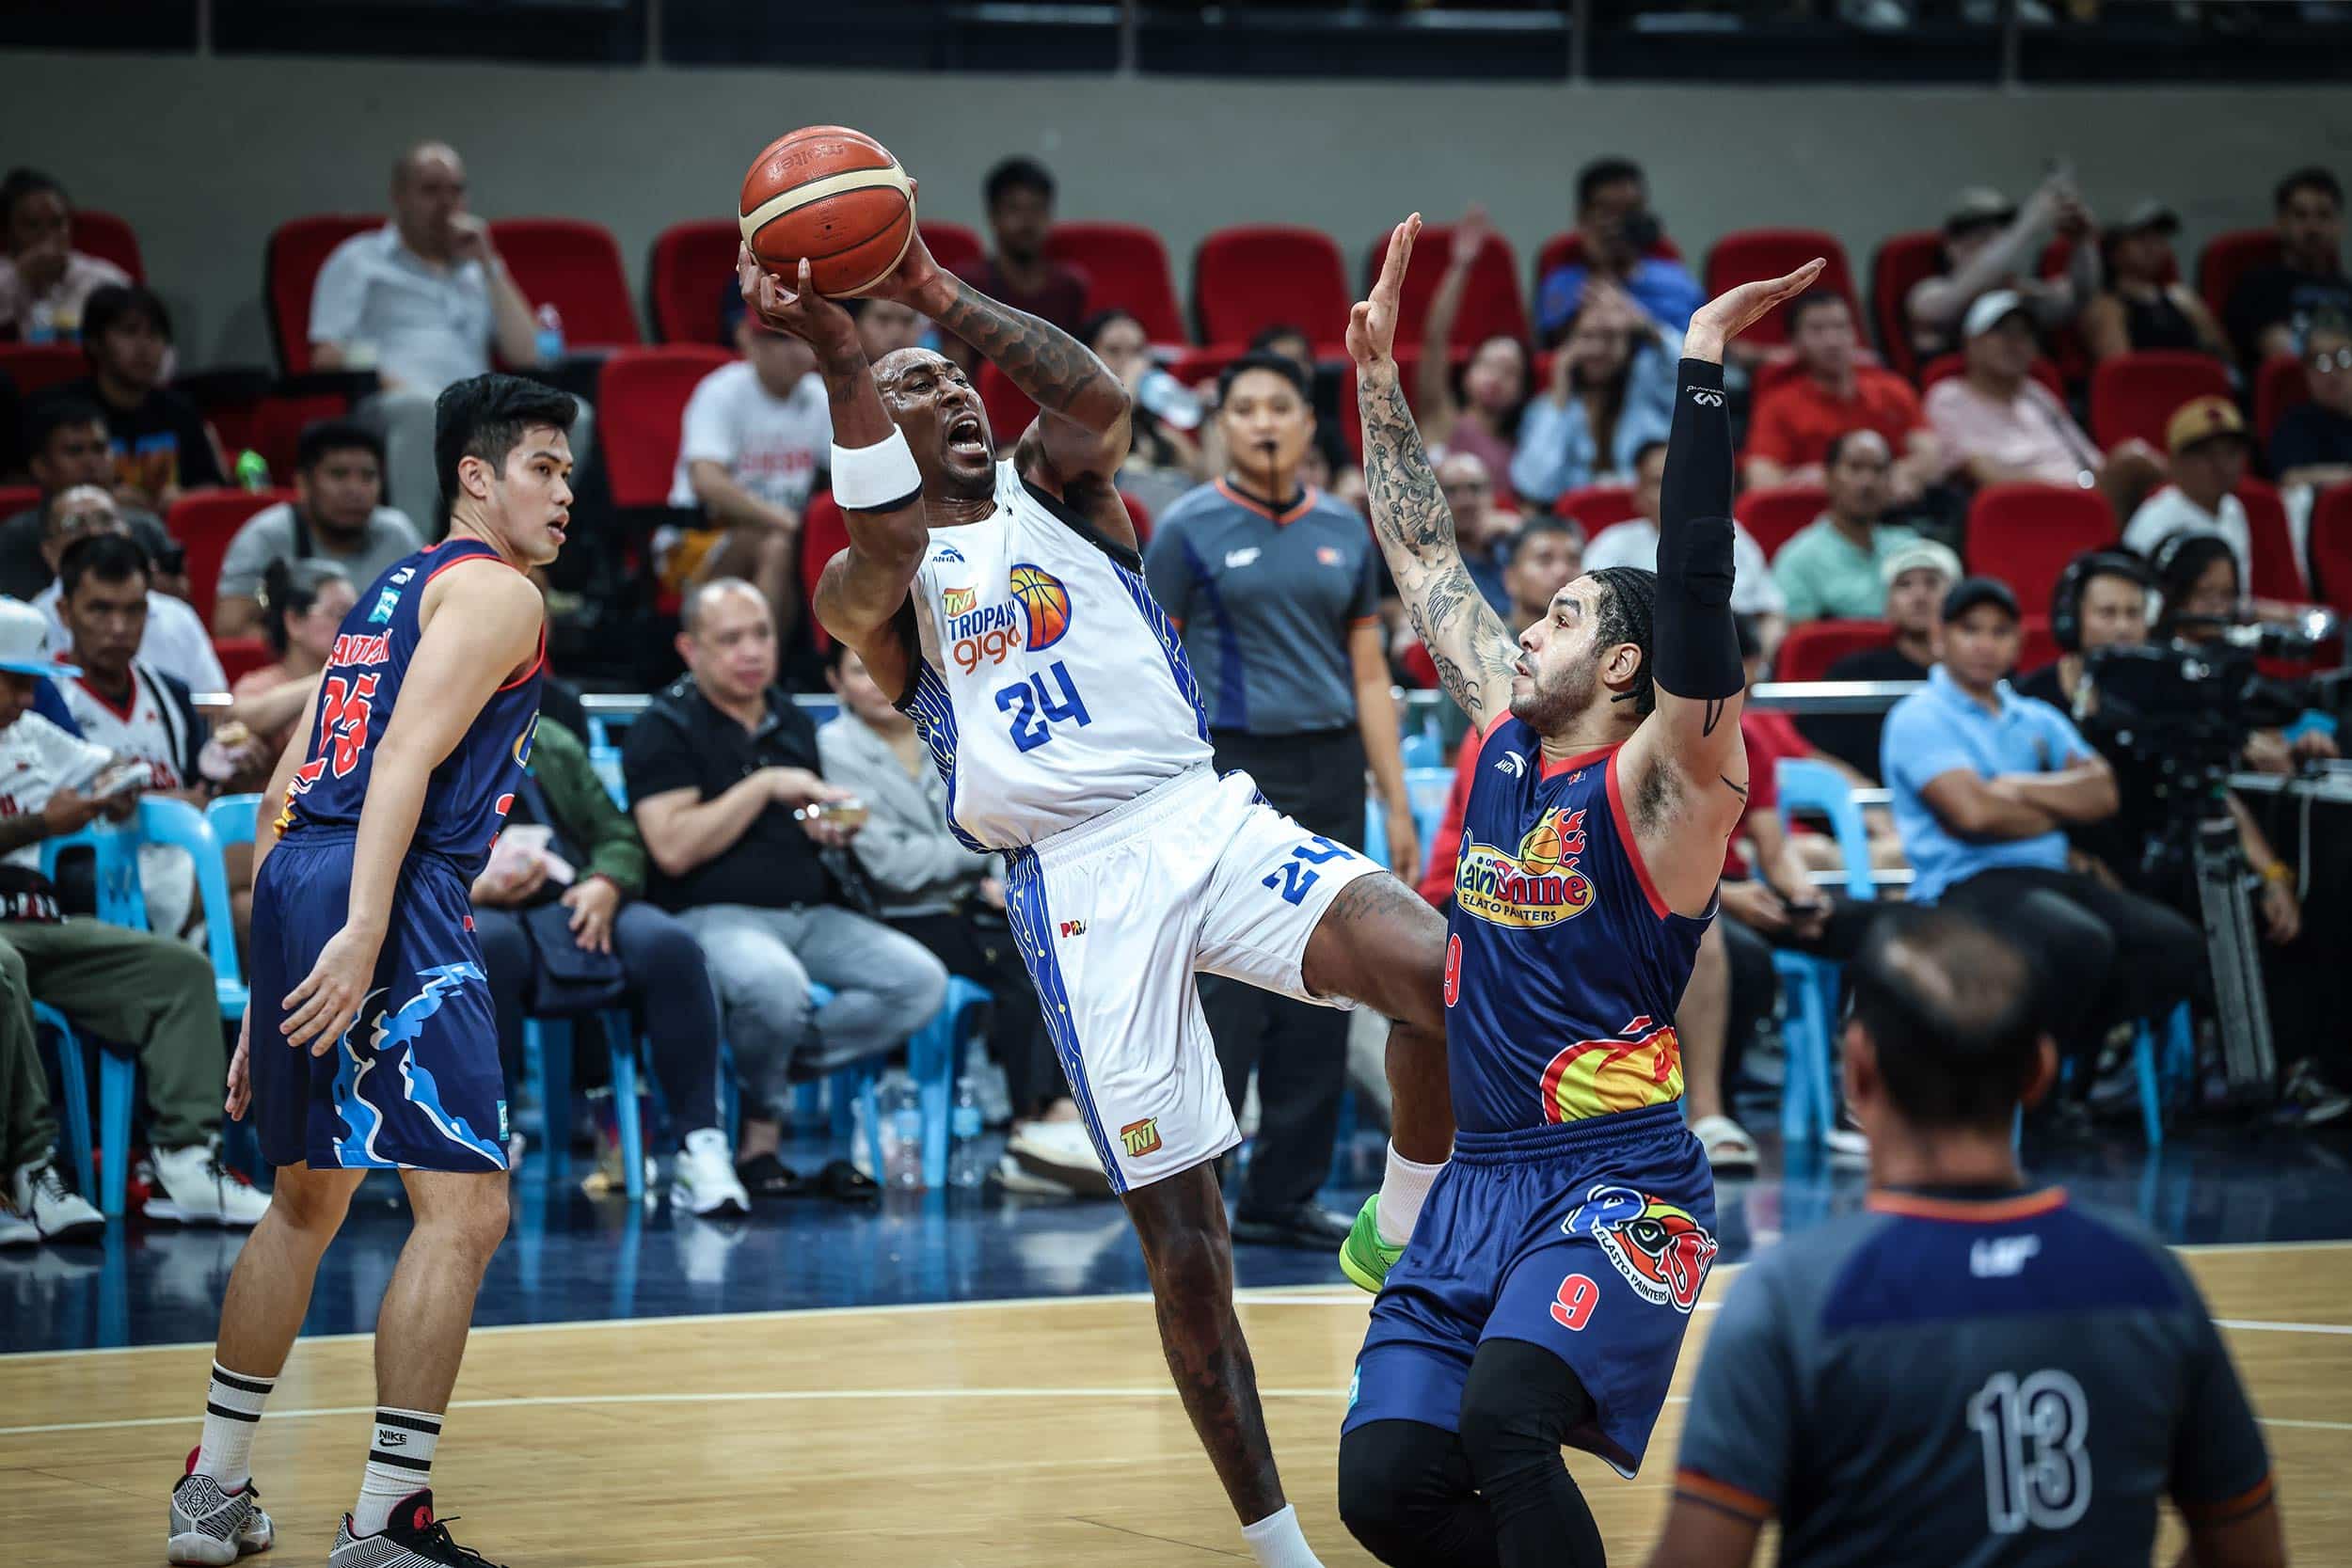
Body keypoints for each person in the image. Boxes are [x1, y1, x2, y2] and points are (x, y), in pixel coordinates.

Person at [745, 210, 1451, 1568]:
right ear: (869, 435)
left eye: (952, 379)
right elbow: (881, 539)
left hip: (1201, 813)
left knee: (1441, 974)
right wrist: (844, 348)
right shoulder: (866, 585)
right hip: (1073, 884)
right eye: (914, 390)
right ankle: (1279, 1546)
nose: (947, 388)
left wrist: (933, 294)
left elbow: (1097, 395)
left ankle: (1405, 1221)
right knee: (1190, 1241)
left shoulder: (1060, 491)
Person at [1333, 214, 1817, 1568]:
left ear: (1622, 669)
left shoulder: (1669, 790)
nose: (1522, 619)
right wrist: (1376, 375)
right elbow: (1423, 553)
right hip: (1482, 1179)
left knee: (1507, 1413)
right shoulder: (1499, 727)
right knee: (1385, 1481)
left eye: (1558, 615)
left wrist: (1703, 360)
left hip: (1618, 1179)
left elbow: (1702, 587)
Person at [167, 372, 577, 1568]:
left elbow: (274, 794)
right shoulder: (498, 591)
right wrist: (364, 926)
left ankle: (215, 1488)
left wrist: (269, 983)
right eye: (545, 468)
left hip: (302, 872)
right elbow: (400, 758)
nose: (567, 493)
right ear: (475, 475)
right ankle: (387, 1518)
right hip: (384, 889)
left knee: (307, 1197)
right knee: (467, 1205)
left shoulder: (387, 595)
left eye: (568, 471)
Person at [1649, 908, 2285, 1568]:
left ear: (1858, 1073)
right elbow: (2250, 1550)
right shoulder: (2152, 1281)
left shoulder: (1792, 1300)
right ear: (2038, 1071)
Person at [1145, 349, 1419, 1249]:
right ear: (1221, 424)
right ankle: (1204, 1193)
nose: (1263, 422)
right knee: (1224, 985)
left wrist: (1398, 801)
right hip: (1227, 773)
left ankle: (1284, 1193)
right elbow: (1157, 673)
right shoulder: (1185, 529)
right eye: (1245, 408)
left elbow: (1370, 673)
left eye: (1280, 407)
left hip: (1332, 768)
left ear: (1308, 422)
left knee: (1327, 983)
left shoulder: (1344, 527)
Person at [622, 577, 943, 1201]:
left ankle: (759, 1063)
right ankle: (762, 1129)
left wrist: (826, 826)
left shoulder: (791, 718)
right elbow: (673, 846)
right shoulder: (664, 727)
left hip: (811, 910)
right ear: (690, 649)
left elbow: (800, 815)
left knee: (918, 982)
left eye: (762, 634)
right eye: (730, 639)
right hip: (710, 913)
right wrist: (765, 786)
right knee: (775, 987)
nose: (752, 651)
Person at [1880, 576, 2205, 1107]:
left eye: (2001, 631)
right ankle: (2031, 1086)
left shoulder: (2034, 716)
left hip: (2050, 877)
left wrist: (2018, 789)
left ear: (2017, 645)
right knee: (2081, 942)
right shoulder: (1919, 716)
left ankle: (2050, 1066)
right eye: (1971, 630)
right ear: (1942, 637)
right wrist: (2054, 813)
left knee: (2177, 946)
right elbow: (1972, 813)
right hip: (1967, 881)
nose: (1986, 644)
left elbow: (2103, 793)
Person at [0, 594, 265, 1231]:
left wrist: (115, 790)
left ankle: (183, 1160)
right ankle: (30, 1166)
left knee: (177, 971)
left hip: (38, 917)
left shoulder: (30, 733)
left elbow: (113, 769)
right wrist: (43, 821)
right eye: (13, 684)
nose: (26, 700)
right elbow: (51, 815)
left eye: (32, 685)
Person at [818, 641, 1099, 1196]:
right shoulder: (833, 747)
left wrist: (993, 864)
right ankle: (1037, 1122)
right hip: (895, 918)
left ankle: (1060, 1118)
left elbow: (1000, 816)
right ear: (835, 683)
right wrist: (979, 854)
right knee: (1025, 959)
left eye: (878, 663)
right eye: (857, 671)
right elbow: (891, 867)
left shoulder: (945, 725)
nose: (873, 680)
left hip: (971, 906)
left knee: (1065, 941)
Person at [466, 710, 751, 1217]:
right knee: (490, 950)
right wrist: (471, 891)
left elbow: (617, 835)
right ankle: (488, 1143)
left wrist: (607, 882)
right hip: (471, 904)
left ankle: (698, 1145)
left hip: (574, 897)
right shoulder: (418, 733)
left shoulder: (548, 740)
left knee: (671, 946)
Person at [310, 142, 592, 524]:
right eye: (430, 190)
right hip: (396, 403)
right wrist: (386, 379)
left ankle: (528, 548)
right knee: (422, 409)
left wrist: (490, 264)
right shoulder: (359, 261)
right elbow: (326, 353)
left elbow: (529, 354)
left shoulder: (477, 270)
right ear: (399, 196)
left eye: (456, 191)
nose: (446, 203)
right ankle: (414, 555)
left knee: (572, 415)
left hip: (472, 408)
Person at [1414, 517, 1586, 909]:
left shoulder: (1592, 667)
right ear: (1509, 579)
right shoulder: (1481, 666)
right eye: (1544, 559)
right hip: (1483, 869)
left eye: (1573, 559)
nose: (1562, 571)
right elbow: (1470, 779)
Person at [54, 532, 216, 939]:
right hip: (97, 872)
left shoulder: (172, 694)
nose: (119, 628)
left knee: (251, 910)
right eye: (100, 610)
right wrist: (171, 803)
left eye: (134, 611)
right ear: (64, 612)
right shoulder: (46, 700)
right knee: (265, 858)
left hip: (179, 863)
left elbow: (202, 791)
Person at [662, 287, 833, 647]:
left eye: (805, 340)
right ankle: (760, 663)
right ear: (752, 342)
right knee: (775, 544)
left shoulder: (818, 395)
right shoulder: (721, 392)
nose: (799, 352)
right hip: (702, 535)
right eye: (784, 341)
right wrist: (782, 520)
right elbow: (707, 481)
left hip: (786, 532)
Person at [1925, 291, 2163, 520]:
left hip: (2086, 494)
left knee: (2137, 460)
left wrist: (2094, 483)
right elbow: (1982, 471)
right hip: (2025, 508)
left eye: (2024, 334)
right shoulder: (1950, 397)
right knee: (2132, 459)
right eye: (2001, 332)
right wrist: (2069, 487)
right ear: (1971, 343)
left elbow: (2089, 460)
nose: (2015, 343)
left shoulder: (2036, 393)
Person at [215, 421, 421, 638]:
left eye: (368, 476)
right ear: (303, 484)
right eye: (339, 475)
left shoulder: (397, 533)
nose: (355, 490)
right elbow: (231, 630)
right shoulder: (266, 537)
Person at [1581, 441, 1785, 645]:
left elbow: (1772, 614)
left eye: (1682, 479)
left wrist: (1760, 667)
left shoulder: (1732, 536)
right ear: (1638, 495)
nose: (1672, 491)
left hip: (1729, 656)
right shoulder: (1612, 545)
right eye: (1659, 482)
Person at [1740, 293, 1940, 500]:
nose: (1832, 341)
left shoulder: (1893, 389)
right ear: (1794, 341)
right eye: (1817, 330)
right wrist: (1829, 481)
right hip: (1816, 518)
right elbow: (1761, 483)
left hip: (1894, 512)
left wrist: (1900, 473)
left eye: (1841, 327)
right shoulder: (1777, 405)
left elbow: (1931, 455)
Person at [29, 487, 224, 693]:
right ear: (49, 552)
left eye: (105, 519)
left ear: (127, 533)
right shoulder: (31, 622)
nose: (95, 532)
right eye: (75, 525)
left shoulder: (178, 616)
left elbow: (214, 701)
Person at [1793, 538, 1958, 781]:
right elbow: (1803, 750)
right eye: (1904, 585)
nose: (1920, 596)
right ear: (1887, 604)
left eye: (1932, 583)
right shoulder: (1852, 673)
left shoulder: (1980, 672)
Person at [49, 282, 225, 510]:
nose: (144, 347)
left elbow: (210, 486)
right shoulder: (62, 412)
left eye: (154, 334)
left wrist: (184, 500)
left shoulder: (180, 410)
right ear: (94, 342)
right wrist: (105, 499)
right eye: (129, 332)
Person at [1510, 282, 1679, 505]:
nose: (1598, 349)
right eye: (1587, 337)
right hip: (1578, 528)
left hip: (1648, 519)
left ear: (1627, 344)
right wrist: (1559, 393)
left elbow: (1693, 369)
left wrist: (1647, 324)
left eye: (1609, 338)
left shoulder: (1649, 385)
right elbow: (1535, 484)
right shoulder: (1548, 407)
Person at [1906, 177, 2099, 363]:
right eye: (1982, 237)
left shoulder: (2018, 291)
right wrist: (2029, 223)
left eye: (2001, 234)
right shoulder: (1929, 293)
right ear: (1952, 246)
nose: (2000, 247)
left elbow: (2079, 297)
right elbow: (1955, 298)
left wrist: (2082, 241)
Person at [0, 397, 174, 601]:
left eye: (99, 449)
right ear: (40, 467)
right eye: (75, 451)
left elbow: (178, 600)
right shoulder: (13, 539)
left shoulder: (146, 527)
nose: (91, 463)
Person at [1416, 207, 1531, 487]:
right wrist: (1461, 266)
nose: (1496, 377)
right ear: (1467, 374)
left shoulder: (1522, 450)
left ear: (1522, 389)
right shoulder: (1442, 417)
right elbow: (1435, 340)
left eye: (1509, 372)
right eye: (1488, 365)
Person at [1534, 157, 1703, 343]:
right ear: (1583, 218)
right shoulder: (1563, 284)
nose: (1617, 226)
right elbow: (1552, 349)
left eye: (1630, 211)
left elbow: (1703, 351)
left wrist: (1643, 323)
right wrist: (1602, 268)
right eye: (1607, 212)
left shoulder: (1678, 284)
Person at [1769, 431, 1926, 622]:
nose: (1868, 482)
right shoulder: (1799, 559)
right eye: (1855, 468)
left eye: (1878, 470)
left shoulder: (1911, 548)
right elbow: (1800, 645)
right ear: (1829, 477)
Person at [1082, 308, 1208, 520]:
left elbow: (1208, 482)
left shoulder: (1161, 432)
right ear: (1088, 357)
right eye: (1114, 351)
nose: (1130, 363)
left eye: (1138, 352)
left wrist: (1212, 418)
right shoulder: (1074, 422)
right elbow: (1091, 465)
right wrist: (1127, 392)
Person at [948, 156, 1088, 345]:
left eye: (1036, 208)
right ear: (993, 216)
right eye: (1014, 209)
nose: (1027, 221)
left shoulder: (1070, 287)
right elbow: (953, 365)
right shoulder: (967, 286)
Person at [2122, 394, 2256, 584]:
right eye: (2206, 454)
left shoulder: (2233, 509)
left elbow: (2237, 598)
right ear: (2176, 463)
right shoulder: (2155, 523)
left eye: (2230, 452)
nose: (2221, 465)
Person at [2225, 166, 2351, 366]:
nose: (2313, 227)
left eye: (2324, 215)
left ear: (2339, 226)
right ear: (2280, 223)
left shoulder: (2347, 289)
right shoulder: (2259, 285)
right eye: (2301, 215)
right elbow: (2281, 352)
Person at [2081, 200, 2231, 363]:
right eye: (2140, 237)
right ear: (2113, 248)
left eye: (2159, 237)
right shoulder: (2105, 307)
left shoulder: (2183, 298)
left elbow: (2224, 360)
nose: (2152, 245)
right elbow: (2123, 374)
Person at [0, 168, 131, 342]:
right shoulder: (4, 276)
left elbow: (154, 344)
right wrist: (17, 279)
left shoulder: (101, 279)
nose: (47, 235)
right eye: (32, 225)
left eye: (58, 223)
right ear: (7, 233)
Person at [2269, 313, 2352, 493]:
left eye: (2343, 358)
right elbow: (2290, 478)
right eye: (2321, 362)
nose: (2333, 373)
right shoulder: (2296, 424)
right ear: (2306, 373)